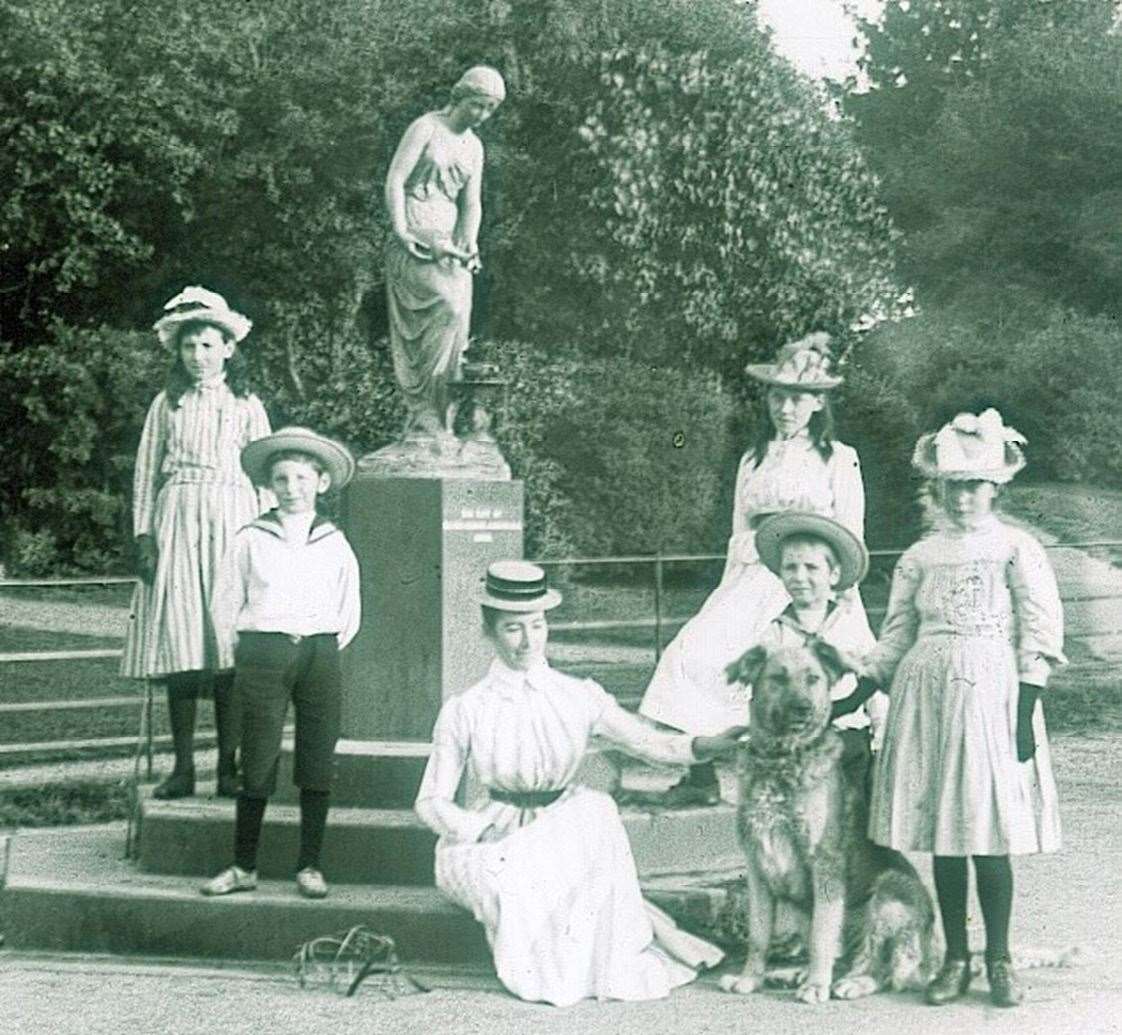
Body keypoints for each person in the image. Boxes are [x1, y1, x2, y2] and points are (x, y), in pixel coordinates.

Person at [414, 561, 744, 1007]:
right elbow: (431, 801)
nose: (528, 641)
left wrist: (709, 745)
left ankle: (586, 968)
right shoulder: (466, 708)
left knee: (594, 812)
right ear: (489, 632)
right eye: (513, 628)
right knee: (519, 873)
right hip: (493, 834)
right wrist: (479, 831)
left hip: (565, 828)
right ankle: (555, 971)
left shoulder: (578, 694)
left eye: (537, 624)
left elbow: (651, 744)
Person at [834, 409, 1064, 1009]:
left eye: (975, 486)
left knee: (989, 832)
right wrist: (858, 690)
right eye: (953, 486)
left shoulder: (1016, 548)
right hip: (925, 699)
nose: (963, 498)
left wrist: (1026, 706)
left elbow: (1038, 628)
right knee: (946, 834)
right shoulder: (921, 555)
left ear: (995, 488)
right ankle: (956, 958)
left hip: (993, 695)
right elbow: (898, 632)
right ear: (938, 489)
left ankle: (1000, 958)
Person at [637, 332, 867, 805]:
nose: (785, 409)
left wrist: (837, 594)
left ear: (818, 404)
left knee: (810, 674)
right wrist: (726, 592)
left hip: (808, 579)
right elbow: (739, 530)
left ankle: (821, 777)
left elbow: (850, 532)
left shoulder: (838, 459)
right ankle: (698, 773)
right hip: (752, 574)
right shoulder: (753, 458)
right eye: (778, 397)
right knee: (692, 654)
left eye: (798, 400)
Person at [121, 286, 272, 800]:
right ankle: (183, 766)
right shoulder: (168, 404)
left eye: (208, 346)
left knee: (228, 645)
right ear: (178, 351)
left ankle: (226, 769)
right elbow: (146, 474)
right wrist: (144, 534)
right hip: (178, 519)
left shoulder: (247, 405)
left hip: (234, 519)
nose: (198, 356)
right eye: (189, 347)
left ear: (228, 348)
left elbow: (266, 475)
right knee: (182, 643)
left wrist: (269, 536)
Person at [201, 427, 360, 900]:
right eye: (282, 479)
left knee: (317, 756)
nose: (292, 488)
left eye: (301, 478)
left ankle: (310, 865)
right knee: (258, 755)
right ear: (269, 486)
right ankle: (243, 865)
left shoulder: (334, 541)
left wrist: (319, 641)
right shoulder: (251, 538)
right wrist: (249, 649)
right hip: (264, 652)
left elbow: (349, 608)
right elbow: (225, 602)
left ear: (321, 483)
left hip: (319, 652)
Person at [384, 65, 505, 434]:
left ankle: (443, 417)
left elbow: (473, 203)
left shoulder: (474, 146)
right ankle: (422, 406)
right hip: (418, 229)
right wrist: (401, 229)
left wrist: (470, 240)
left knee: (456, 322)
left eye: (489, 109)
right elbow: (396, 179)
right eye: (477, 105)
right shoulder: (426, 128)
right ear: (460, 97)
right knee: (445, 307)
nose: (481, 115)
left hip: (451, 237)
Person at [749, 511, 887, 768]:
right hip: (794, 741)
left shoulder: (849, 625)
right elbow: (761, 691)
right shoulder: (775, 632)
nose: (800, 577)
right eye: (790, 567)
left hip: (847, 739)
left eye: (811, 567)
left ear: (833, 575)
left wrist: (882, 735)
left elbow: (874, 681)